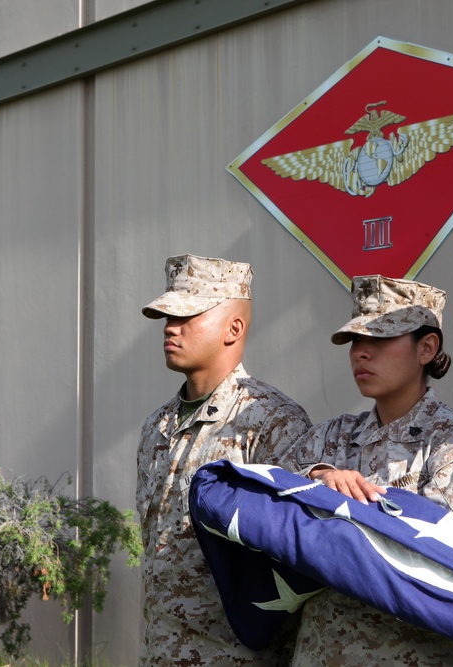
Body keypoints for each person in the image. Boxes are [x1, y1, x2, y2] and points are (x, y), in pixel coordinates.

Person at [289, 274, 453, 667]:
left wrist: (329, 514)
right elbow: (264, 515)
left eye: (380, 339)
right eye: (356, 340)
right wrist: (319, 480)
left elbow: (441, 566)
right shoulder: (328, 441)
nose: (361, 354)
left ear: (427, 348)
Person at [136, 253, 311, 667]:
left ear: (234, 327)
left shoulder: (270, 421)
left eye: (188, 316)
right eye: (167, 317)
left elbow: (293, 557)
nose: (171, 328)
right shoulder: (156, 426)